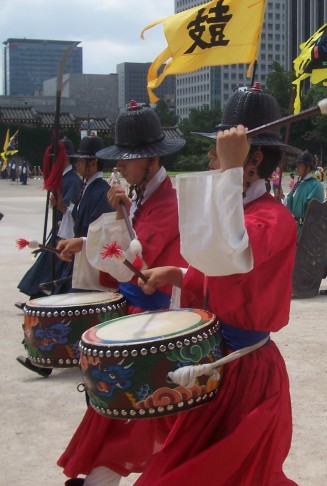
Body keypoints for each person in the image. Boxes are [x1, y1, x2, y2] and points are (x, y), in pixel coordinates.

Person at [60, 85, 298, 485]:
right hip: (212, 358)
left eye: (216, 155)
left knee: (220, 472)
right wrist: (180, 275)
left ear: (252, 159)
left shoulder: (272, 218)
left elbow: (228, 254)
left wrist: (230, 170)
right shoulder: (243, 212)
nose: (210, 160)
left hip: (243, 370)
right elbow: (219, 272)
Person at [57, 103, 188, 483]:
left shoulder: (168, 203)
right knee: (126, 414)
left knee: (129, 413)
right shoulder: (146, 195)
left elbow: (134, 259)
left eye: (130, 160)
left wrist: (92, 240)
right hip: (137, 316)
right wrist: (98, 233)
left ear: (153, 158)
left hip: (152, 322)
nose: (123, 167)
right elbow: (128, 253)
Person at [16, 136, 114, 378]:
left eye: (80, 161)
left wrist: (77, 245)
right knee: (63, 313)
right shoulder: (88, 188)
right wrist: (62, 210)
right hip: (77, 258)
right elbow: (75, 222)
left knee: (66, 315)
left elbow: (99, 232)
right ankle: (43, 356)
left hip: (88, 264)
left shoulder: (101, 192)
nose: (77, 165)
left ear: (91, 164)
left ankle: (46, 358)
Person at [16, 138, 82, 300]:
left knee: (54, 267)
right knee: (47, 265)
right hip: (59, 229)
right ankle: (37, 295)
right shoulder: (64, 178)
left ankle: (41, 296)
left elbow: (73, 210)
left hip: (66, 232)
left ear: (65, 158)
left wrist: (60, 206)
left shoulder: (72, 180)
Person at [286, 150, 327, 295]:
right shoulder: (299, 184)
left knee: (316, 253)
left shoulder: (315, 185)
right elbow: (291, 204)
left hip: (308, 225)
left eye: (300, 165)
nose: (297, 168)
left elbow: (313, 207)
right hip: (298, 225)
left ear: (307, 167)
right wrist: (285, 198)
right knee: (306, 253)